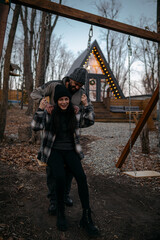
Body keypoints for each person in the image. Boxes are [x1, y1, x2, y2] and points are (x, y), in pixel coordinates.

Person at [31, 85, 99, 237]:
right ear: (56, 101)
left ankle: (86, 216)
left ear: (69, 100)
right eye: (61, 99)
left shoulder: (74, 112)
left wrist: (87, 105)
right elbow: (35, 126)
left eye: (66, 99)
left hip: (71, 150)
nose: (63, 102)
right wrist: (41, 109)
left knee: (81, 177)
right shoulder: (50, 112)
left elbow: (90, 121)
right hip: (53, 150)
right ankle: (61, 213)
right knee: (60, 177)